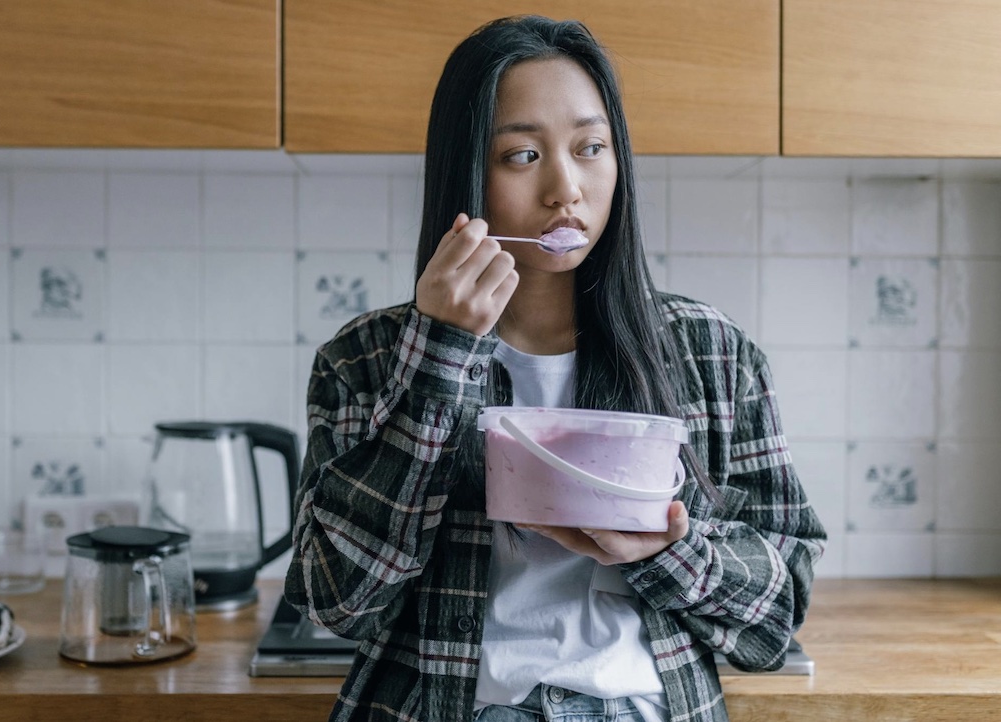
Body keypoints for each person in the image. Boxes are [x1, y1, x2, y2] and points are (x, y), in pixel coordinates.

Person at [286, 14, 825, 722]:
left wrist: (669, 549)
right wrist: (440, 355)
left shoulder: (713, 353)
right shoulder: (365, 359)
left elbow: (778, 610)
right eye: (521, 156)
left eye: (591, 147)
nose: (565, 189)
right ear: (465, 173)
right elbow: (337, 601)